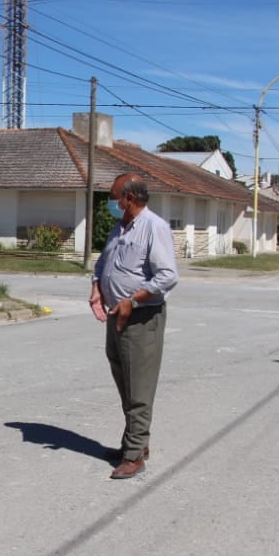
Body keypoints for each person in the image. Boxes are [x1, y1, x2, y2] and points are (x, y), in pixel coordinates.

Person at [89, 173, 179, 479]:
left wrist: (132, 301)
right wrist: (97, 287)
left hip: (141, 318)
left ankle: (134, 456)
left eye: (115, 196)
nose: (111, 202)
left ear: (130, 198)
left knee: (139, 387)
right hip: (117, 316)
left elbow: (167, 276)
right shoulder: (120, 226)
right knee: (125, 382)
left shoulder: (155, 227)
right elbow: (103, 263)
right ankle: (136, 442)